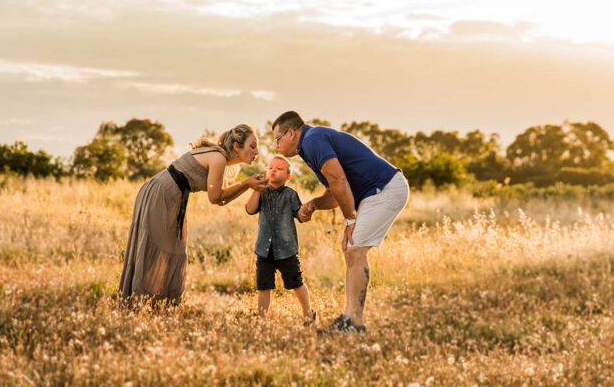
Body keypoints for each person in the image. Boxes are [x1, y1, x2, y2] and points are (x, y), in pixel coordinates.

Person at [272, 111, 410, 333]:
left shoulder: (312, 139)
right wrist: (315, 203)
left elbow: (339, 179)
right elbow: (335, 190)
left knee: (355, 250)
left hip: (384, 189)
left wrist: (350, 220)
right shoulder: (309, 146)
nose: (276, 146)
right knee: (350, 249)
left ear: (290, 133)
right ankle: (349, 319)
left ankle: (355, 324)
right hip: (375, 192)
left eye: (277, 140)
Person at [119, 124, 269, 306]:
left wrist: (247, 185)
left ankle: (158, 304)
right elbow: (215, 198)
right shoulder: (218, 158)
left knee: (173, 248)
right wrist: (246, 184)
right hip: (161, 193)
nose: (256, 152)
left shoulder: (218, 157)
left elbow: (220, 198)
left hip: (167, 194)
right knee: (156, 248)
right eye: (252, 146)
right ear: (237, 146)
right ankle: (141, 303)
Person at [245, 155, 316, 324]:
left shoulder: (291, 194)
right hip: (264, 249)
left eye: (279, 168)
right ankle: (261, 319)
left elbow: (299, 214)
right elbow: (250, 209)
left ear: (288, 176)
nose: (273, 170)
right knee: (264, 285)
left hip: (286, 249)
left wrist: (305, 213)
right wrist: (256, 189)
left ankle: (308, 313)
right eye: (270, 167)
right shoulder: (261, 192)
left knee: (296, 282)